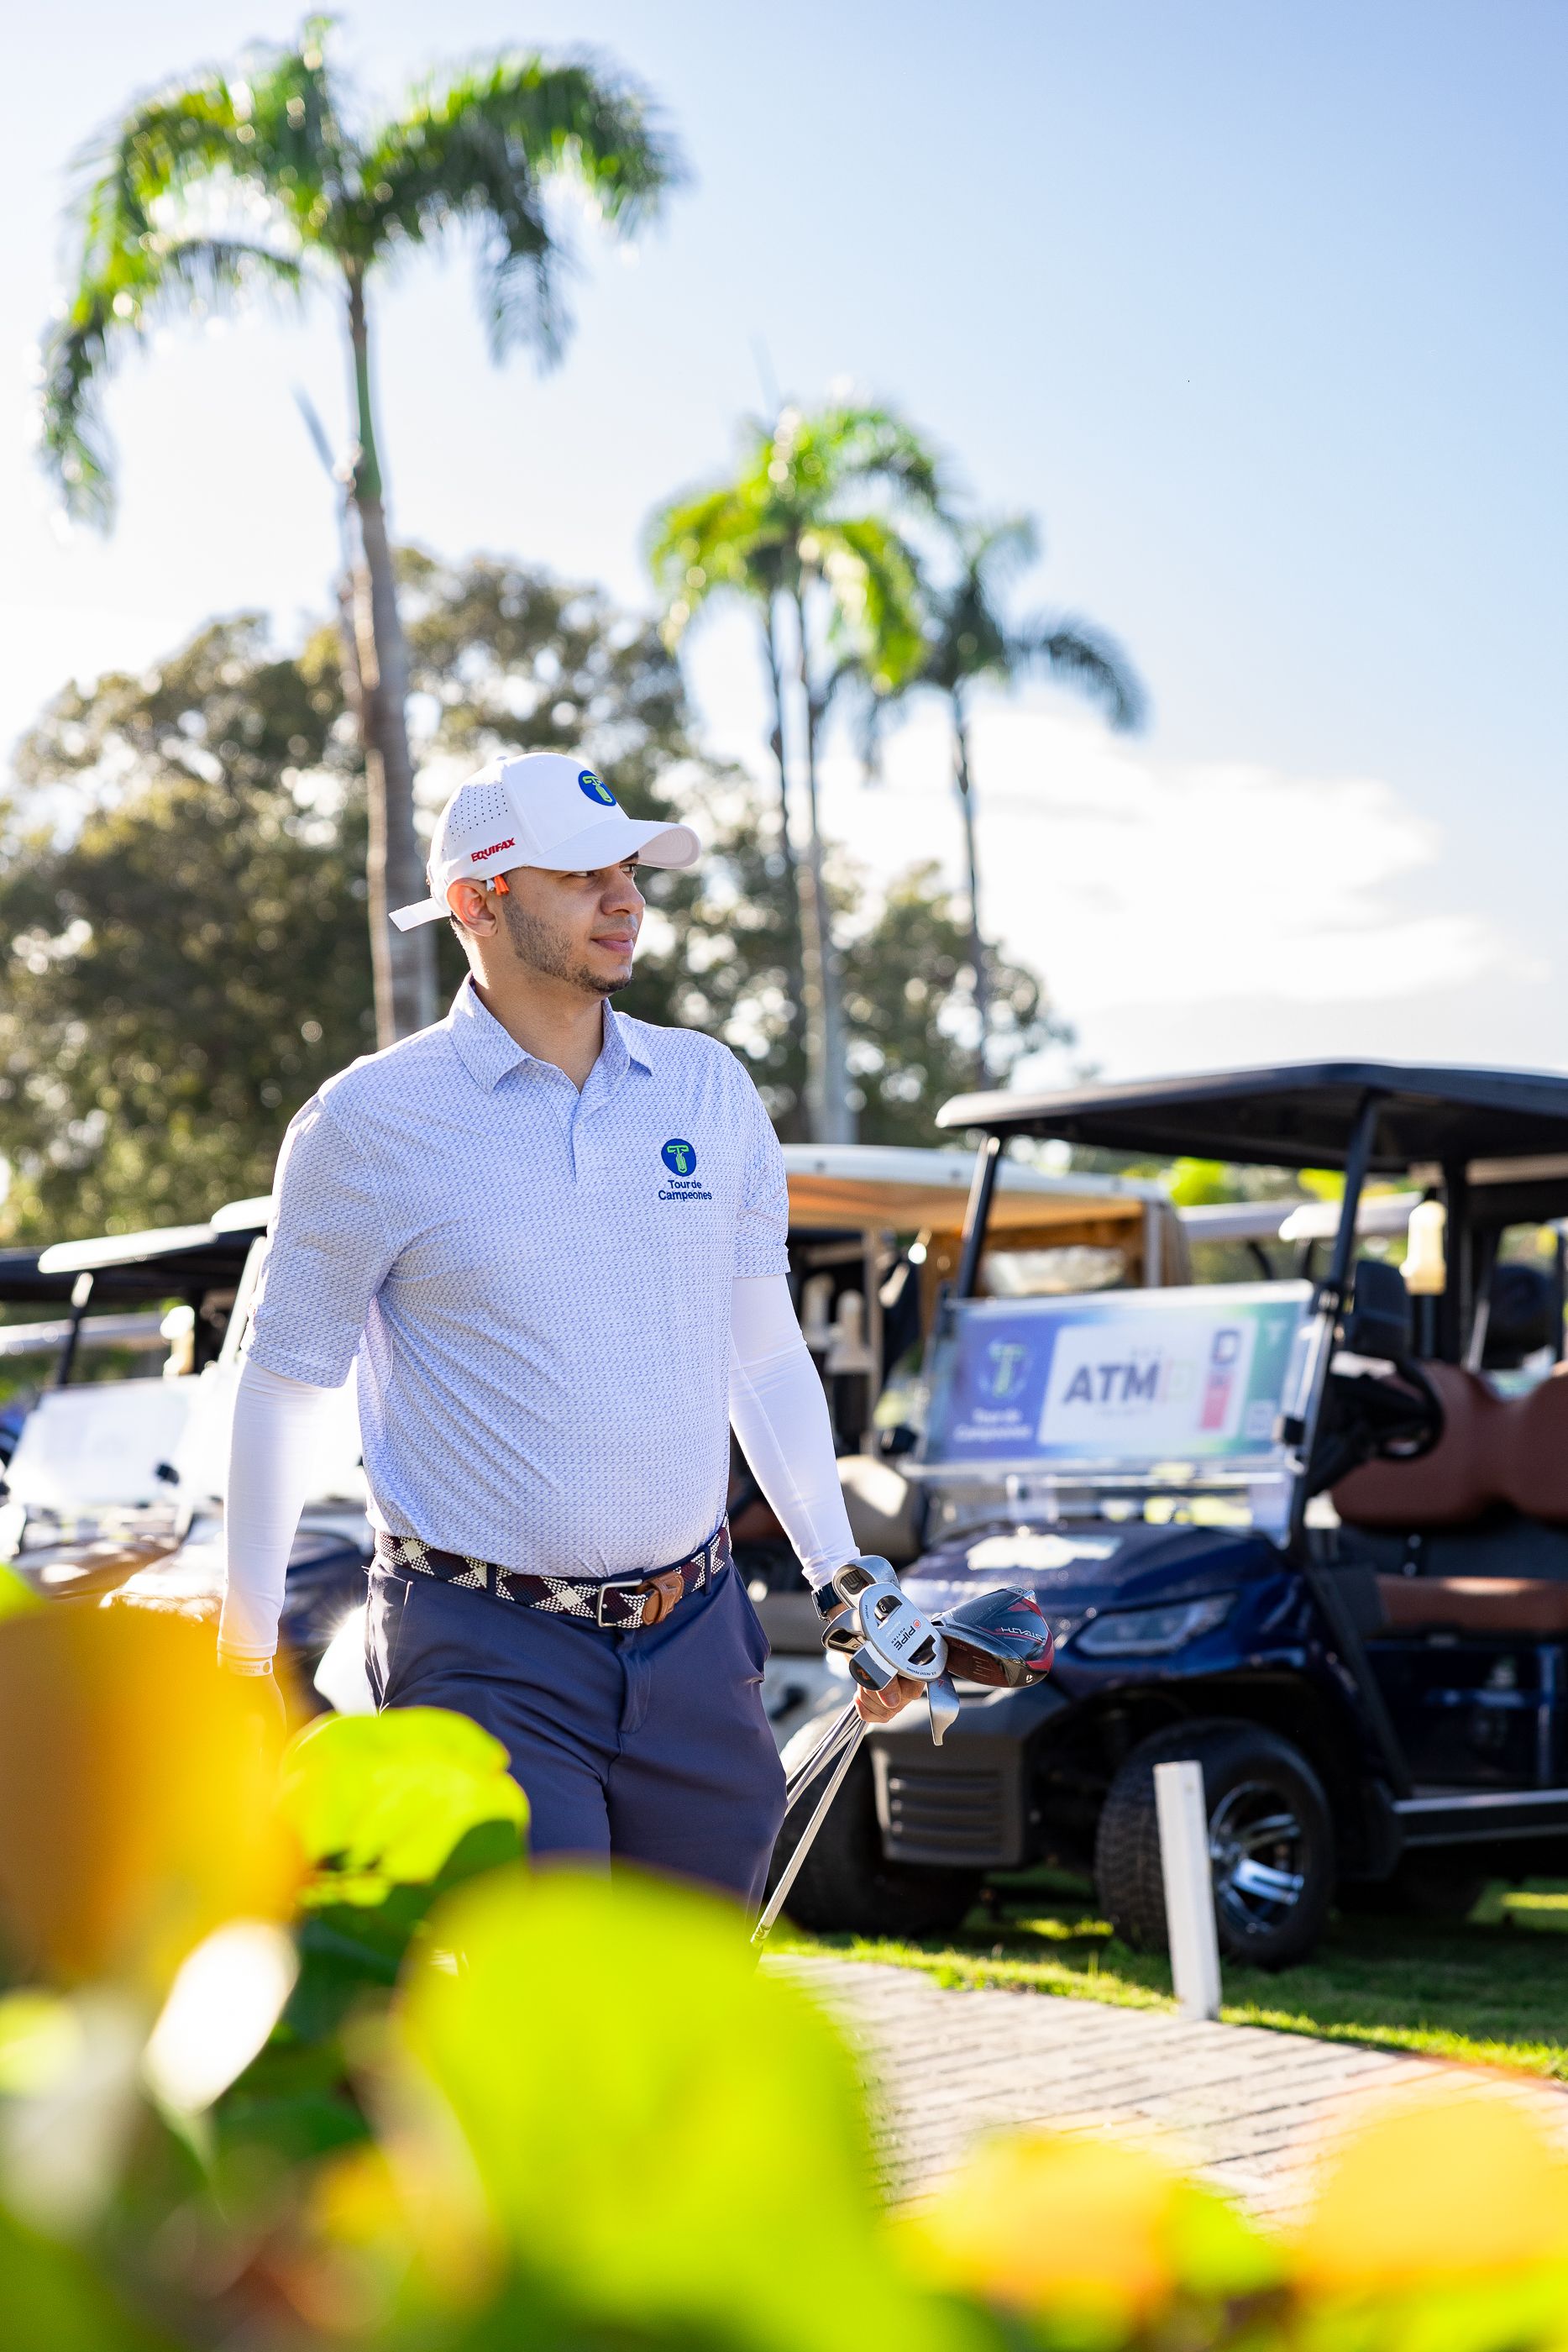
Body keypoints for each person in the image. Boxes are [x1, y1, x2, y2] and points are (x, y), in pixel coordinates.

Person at [218, 750, 916, 1908]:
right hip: (481, 1653)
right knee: (538, 1988)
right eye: (583, 876)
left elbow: (759, 1355)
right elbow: (285, 1386)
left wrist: (846, 1583)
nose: (625, 899)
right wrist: (244, 1656)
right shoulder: (366, 1123)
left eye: (630, 871)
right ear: (477, 901)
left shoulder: (708, 1089)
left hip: (697, 1639)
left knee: (690, 1989)